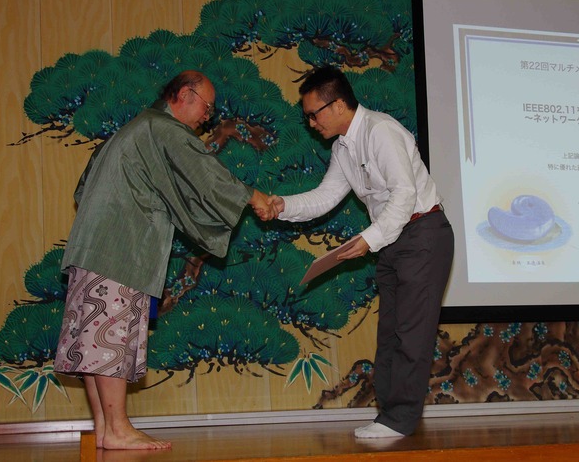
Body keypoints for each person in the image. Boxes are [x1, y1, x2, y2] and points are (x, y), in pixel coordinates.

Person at [54, 70, 273, 450]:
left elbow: (82, 188)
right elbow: (204, 173)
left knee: (92, 342)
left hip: (91, 247)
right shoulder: (162, 128)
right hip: (119, 248)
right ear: (185, 95)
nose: (207, 117)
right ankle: (118, 428)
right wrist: (253, 196)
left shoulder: (132, 129)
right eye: (207, 107)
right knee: (109, 340)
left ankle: (105, 430)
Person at [266, 66, 454, 438]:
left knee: (411, 334)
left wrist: (370, 238)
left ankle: (400, 420)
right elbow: (324, 197)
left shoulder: (379, 130)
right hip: (392, 239)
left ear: (337, 105)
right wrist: (282, 206)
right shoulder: (343, 147)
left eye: (313, 114)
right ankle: (389, 416)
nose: (311, 123)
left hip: (423, 234)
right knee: (391, 334)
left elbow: (405, 193)